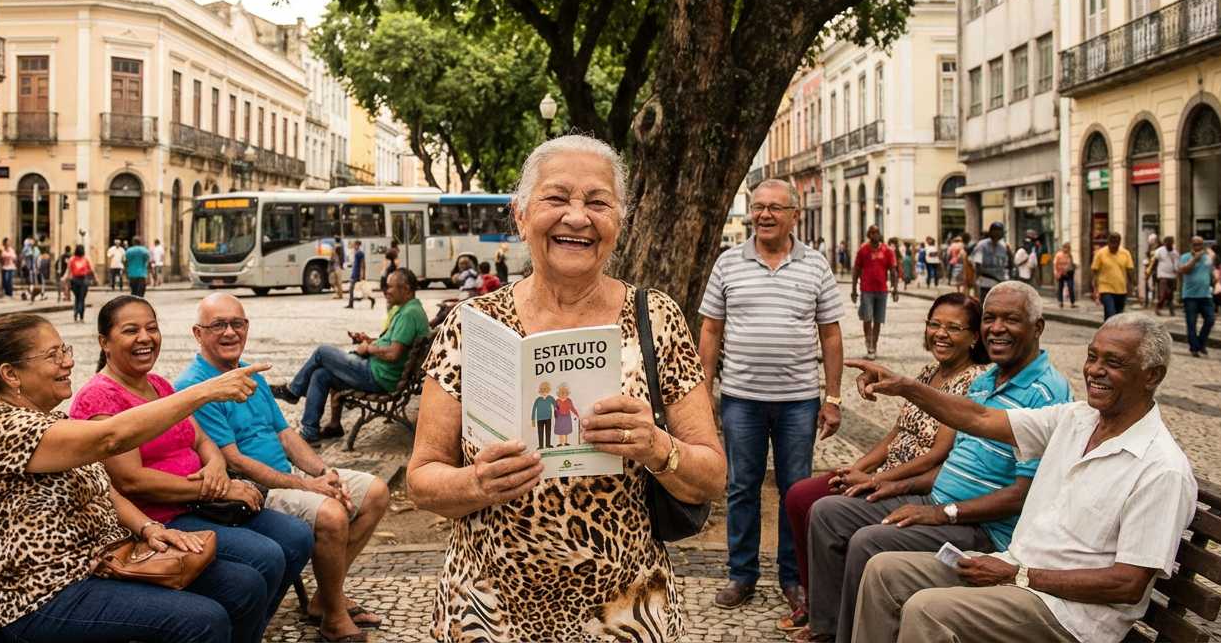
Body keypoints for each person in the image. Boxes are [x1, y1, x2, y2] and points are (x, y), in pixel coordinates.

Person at [407, 135, 727, 642]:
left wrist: (656, 445)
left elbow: (710, 477)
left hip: (625, 610)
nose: (577, 217)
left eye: (598, 202)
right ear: (520, 215)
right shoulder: (472, 326)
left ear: (619, 224)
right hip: (488, 612)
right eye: (556, 198)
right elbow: (421, 477)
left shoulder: (658, 318)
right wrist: (477, 484)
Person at [851, 314, 1195, 643]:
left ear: (1152, 376)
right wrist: (906, 387)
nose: (1095, 370)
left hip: (1069, 614)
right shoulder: (1077, 418)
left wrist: (1020, 576)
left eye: (1114, 362)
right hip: (1015, 572)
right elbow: (982, 418)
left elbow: (1127, 584)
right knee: (884, 571)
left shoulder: (1161, 468)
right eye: (1092, 357)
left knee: (928, 610)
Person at [0, 311, 274, 642]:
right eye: (53, 355)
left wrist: (151, 529)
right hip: (44, 598)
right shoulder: (0, 430)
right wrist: (204, 391)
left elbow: (107, 491)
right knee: (202, 621)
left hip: (106, 564)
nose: (68, 362)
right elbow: (111, 437)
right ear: (10, 374)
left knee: (243, 586)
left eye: (65, 350)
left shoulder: (50, 421)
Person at [800, 281, 1071, 643]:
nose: (996, 328)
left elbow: (1024, 494)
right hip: (938, 502)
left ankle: (853, 636)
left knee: (869, 542)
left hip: (984, 527)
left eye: (1011, 319)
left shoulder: (1047, 394)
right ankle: (830, 629)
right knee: (828, 512)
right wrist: (892, 484)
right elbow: (952, 462)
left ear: (1037, 328)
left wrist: (943, 513)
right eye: (990, 318)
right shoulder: (986, 380)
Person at [72, 295, 313, 642]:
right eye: (131, 330)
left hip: (204, 504)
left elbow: (201, 439)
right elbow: (131, 481)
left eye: (151, 328)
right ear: (104, 343)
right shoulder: (99, 397)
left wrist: (216, 467)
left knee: (297, 536)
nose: (145, 337)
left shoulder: (159, 385)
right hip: (162, 518)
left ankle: (247, 632)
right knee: (265, 559)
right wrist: (215, 487)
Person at [175, 292, 391, 642]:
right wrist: (307, 487)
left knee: (375, 492)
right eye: (218, 325)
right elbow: (234, 461)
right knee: (332, 514)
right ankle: (334, 618)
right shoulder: (195, 386)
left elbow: (286, 435)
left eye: (237, 323)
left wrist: (324, 475)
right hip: (250, 490)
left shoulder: (251, 374)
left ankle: (325, 597)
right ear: (198, 334)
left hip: (288, 480)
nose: (230, 332)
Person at [779, 293, 989, 632]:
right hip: (885, 470)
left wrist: (878, 479)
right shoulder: (927, 372)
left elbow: (938, 454)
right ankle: (817, 600)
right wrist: (857, 469)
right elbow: (895, 433)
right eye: (934, 324)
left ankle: (830, 621)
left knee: (829, 513)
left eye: (953, 327)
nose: (941, 333)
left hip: (915, 482)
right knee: (800, 496)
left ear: (974, 336)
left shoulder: (974, 381)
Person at [699, 178, 843, 617]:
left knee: (794, 490)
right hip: (740, 399)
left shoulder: (816, 266)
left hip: (799, 400)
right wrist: (702, 390)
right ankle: (741, 574)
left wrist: (832, 397)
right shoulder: (728, 263)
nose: (764, 215)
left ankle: (793, 576)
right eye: (758, 206)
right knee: (742, 486)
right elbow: (710, 330)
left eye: (775, 208)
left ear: (794, 215)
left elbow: (831, 334)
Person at [278, 269, 431, 442]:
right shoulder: (411, 309)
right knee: (320, 375)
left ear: (406, 288)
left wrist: (368, 349)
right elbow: (395, 343)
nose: (385, 291)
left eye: (389, 287)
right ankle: (310, 431)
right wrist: (371, 340)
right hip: (382, 372)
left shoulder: (409, 314)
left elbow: (394, 353)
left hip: (378, 376)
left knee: (322, 352)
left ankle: (293, 391)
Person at [850, 224, 898, 360]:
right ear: (868, 235)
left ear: (879, 234)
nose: (874, 235)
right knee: (867, 318)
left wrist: (895, 289)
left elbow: (893, 270)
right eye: (872, 232)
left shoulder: (887, 251)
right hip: (866, 290)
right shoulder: (863, 251)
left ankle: (874, 346)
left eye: (876, 232)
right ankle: (868, 344)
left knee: (878, 320)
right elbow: (856, 271)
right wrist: (853, 290)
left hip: (882, 290)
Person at [1177, 236, 1217, 357]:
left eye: (1200, 245)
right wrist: (1194, 259)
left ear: (1203, 246)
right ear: (1191, 245)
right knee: (1191, 323)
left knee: (1210, 319)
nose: (1198, 247)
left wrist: (1217, 278)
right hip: (1190, 295)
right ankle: (1194, 348)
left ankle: (1201, 342)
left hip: (1205, 295)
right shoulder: (1185, 257)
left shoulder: (1208, 259)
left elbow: (1212, 271)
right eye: (1195, 245)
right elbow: (1182, 271)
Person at [1090, 232, 1135, 320]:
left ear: (1119, 243)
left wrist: (1133, 284)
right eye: (1111, 243)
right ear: (1108, 241)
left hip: (1121, 290)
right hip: (1106, 289)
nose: (1113, 246)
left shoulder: (1125, 253)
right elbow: (1093, 270)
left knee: (1118, 316)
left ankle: (1108, 331)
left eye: (1115, 243)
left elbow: (1130, 270)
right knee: (1111, 313)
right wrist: (1092, 288)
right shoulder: (1100, 253)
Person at [970, 222, 1012, 299]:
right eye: (995, 231)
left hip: (1000, 284)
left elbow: (1007, 265)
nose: (997, 233)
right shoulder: (982, 245)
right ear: (990, 232)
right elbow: (977, 266)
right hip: (986, 283)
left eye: (999, 231)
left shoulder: (1003, 247)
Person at [66, 245, 97, 323]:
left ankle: (75, 315)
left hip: (75, 280)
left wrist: (65, 278)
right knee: (82, 299)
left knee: (77, 298)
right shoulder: (86, 259)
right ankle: (81, 316)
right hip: (84, 280)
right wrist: (95, 279)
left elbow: (68, 271)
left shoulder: (72, 259)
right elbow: (91, 270)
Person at [1150, 236, 1178, 316]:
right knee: (1164, 293)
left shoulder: (1174, 253)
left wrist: (1176, 271)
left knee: (1171, 294)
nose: (1169, 245)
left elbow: (1176, 263)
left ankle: (1171, 310)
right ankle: (1158, 307)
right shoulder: (1159, 251)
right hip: (1162, 274)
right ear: (1164, 243)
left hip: (1172, 275)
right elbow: (1154, 260)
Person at [346, 240, 371, 309]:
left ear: (357, 246)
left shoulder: (359, 254)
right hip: (355, 272)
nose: (353, 247)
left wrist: (361, 274)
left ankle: (351, 303)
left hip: (357, 273)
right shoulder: (357, 253)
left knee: (353, 289)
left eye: (354, 245)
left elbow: (362, 264)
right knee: (359, 288)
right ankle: (370, 298)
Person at [1054, 242, 1077, 308]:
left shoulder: (1069, 255)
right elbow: (1056, 264)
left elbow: (1071, 263)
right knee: (1060, 287)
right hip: (1061, 273)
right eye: (1065, 247)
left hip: (1069, 273)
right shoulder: (1059, 255)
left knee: (1070, 287)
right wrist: (1057, 272)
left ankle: (1072, 302)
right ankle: (1061, 302)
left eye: (1068, 248)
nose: (1066, 249)